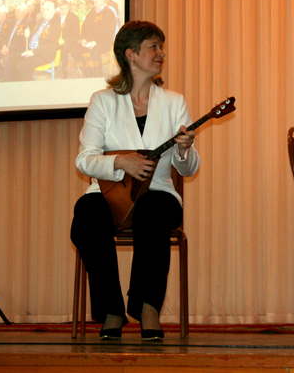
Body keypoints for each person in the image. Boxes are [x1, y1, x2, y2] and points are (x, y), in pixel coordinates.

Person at [71, 20, 199, 340]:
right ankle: (111, 310)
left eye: (161, 47)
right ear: (131, 54)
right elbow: (84, 159)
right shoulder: (103, 101)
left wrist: (185, 149)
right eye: (153, 47)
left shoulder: (174, 102)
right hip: (109, 193)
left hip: (158, 192)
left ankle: (147, 306)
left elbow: (188, 169)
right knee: (87, 214)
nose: (161, 53)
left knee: (152, 210)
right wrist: (119, 162)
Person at [7, 0, 61, 81]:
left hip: (44, 54)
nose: (45, 11)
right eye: (43, 9)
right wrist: (27, 37)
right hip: (32, 50)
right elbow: (34, 36)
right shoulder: (40, 20)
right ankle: (18, 84)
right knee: (11, 59)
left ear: (53, 11)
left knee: (22, 65)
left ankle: (31, 85)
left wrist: (33, 52)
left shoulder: (55, 24)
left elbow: (51, 46)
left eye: (48, 9)